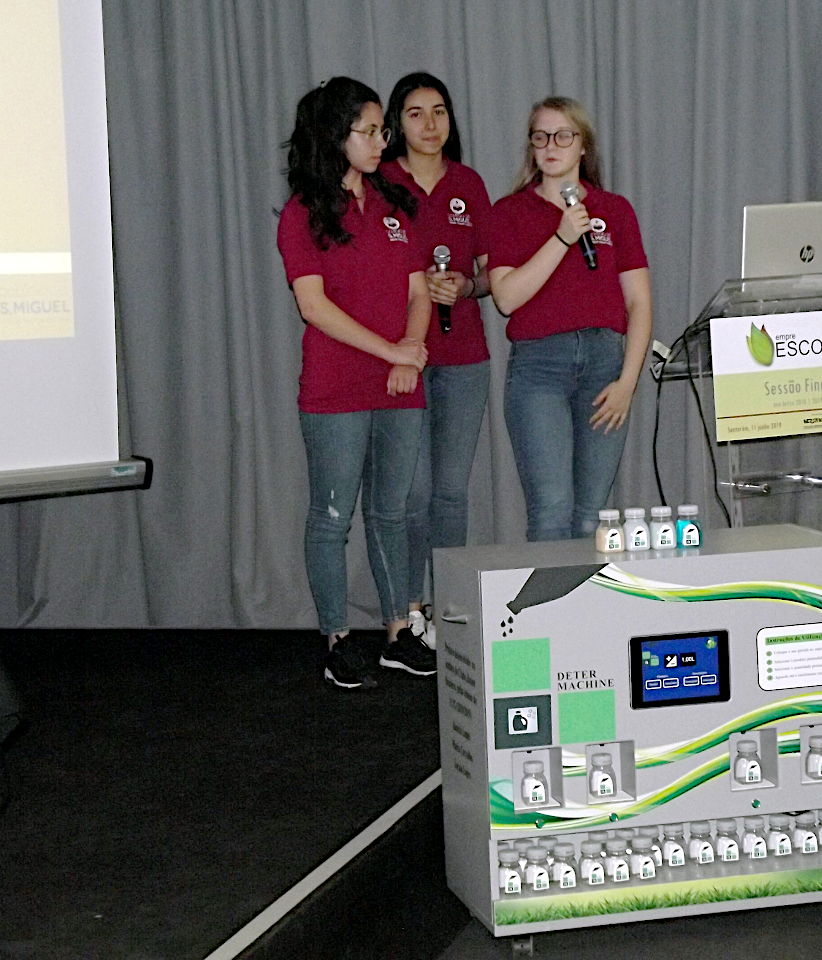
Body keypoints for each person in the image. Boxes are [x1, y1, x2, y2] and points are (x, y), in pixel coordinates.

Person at [276, 77, 438, 689]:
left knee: (391, 511)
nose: (380, 142)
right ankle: (338, 639)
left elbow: (419, 292)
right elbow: (313, 306)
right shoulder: (303, 213)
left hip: (399, 384)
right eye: (367, 131)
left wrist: (409, 355)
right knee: (333, 516)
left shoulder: (395, 203)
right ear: (333, 136)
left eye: (381, 130)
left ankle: (398, 632)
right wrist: (391, 350)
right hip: (337, 388)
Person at [488, 97, 652, 541]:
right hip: (540, 367)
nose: (551, 146)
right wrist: (562, 237)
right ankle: (550, 592)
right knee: (551, 510)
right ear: (531, 146)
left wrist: (627, 383)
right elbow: (506, 297)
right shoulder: (509, 213)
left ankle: (586, 591)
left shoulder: (615, 210)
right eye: (541, 137)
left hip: (604, 365)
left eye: (563, 136)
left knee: (592, 515)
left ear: (583, 146)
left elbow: (639, 304)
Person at [381, 73, 492, 644]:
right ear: (396, 124)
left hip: (464, 356)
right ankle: (408, 610)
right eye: (416, 113)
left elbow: (491, 273)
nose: (430, 124)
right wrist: (412, 286)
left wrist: (466, 287)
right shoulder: (380, 183)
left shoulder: (468, 183)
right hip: (402, 355)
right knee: (413, 492)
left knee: (450, 492)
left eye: (439, 111)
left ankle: (449, 610)